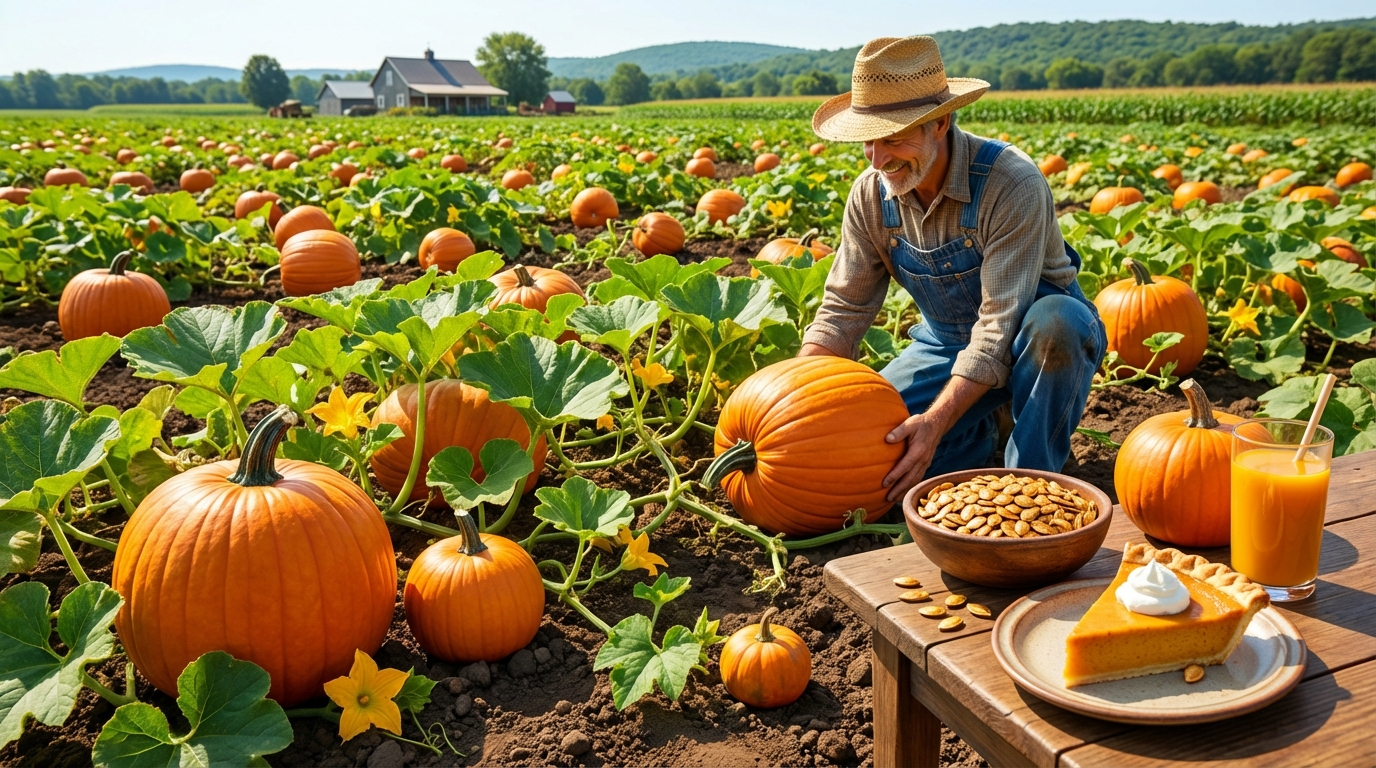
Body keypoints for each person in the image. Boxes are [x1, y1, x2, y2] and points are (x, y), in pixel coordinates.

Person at [801, 36, 1107, 504]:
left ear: (939, 122)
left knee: (1056, 324)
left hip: (1031, 340)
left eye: (893, 139)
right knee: (878, 457)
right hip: (944, 344)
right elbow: (844, 310)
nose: (878, 159)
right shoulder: (870, 195)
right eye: (869, 141)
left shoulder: (1010, 183)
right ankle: (983, 435)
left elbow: (999, 327)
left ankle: (1032, 487)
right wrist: (792, 397)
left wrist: (936, 421)